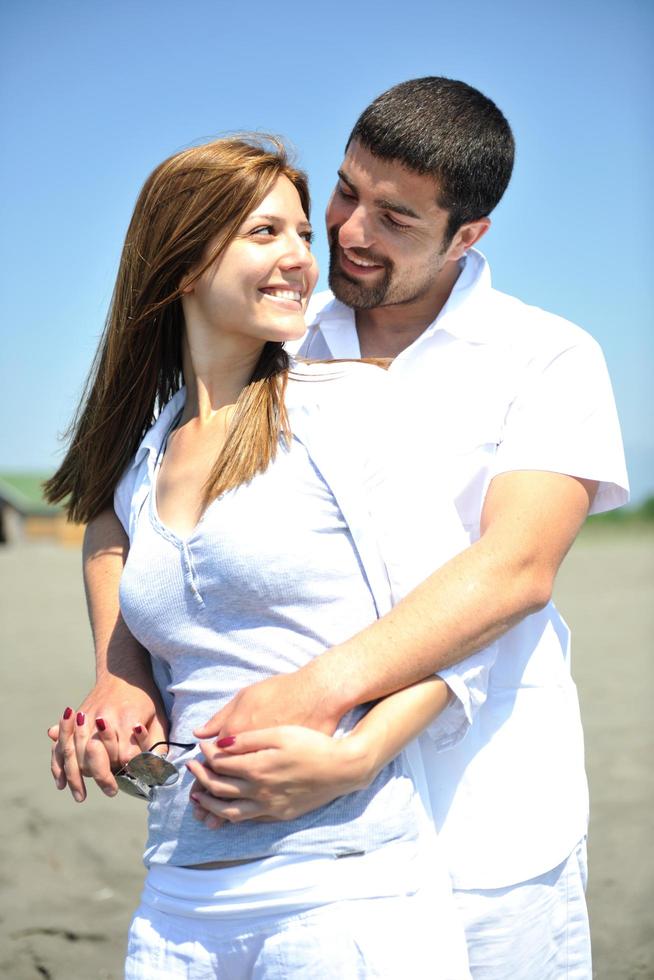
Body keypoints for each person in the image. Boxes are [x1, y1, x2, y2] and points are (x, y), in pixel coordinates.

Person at [50, 78, 629, 978]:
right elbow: (126, 512)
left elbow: (514, 570)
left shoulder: (546, 356)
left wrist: (333, 714)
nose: (348, 233)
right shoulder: (281, 331)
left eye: (395, 219)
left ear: (466, 235)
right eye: (349, 192)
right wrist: (119, 674)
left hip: (488, 812)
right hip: (278, 839)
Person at [45, 134, 477, 978]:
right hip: (175, 903)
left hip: (347, 896)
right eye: (264, 234)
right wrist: (114, 694)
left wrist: (356, 754)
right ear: (181, 263)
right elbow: (108, 539)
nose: (301, 261)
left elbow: (458, 629)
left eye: (302, 236)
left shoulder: (350, 409)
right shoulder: (142, 461)